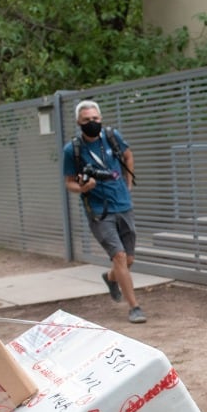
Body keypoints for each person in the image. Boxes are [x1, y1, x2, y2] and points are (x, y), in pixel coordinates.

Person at [62, 100, 147, 324]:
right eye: (87, 121)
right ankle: (134, 307)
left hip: (123, 205)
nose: (92, 123)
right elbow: (69, 183)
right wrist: (83, 188)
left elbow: (128, 155)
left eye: (95, 119)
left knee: (128, 260)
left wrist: (128, 184)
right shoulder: (73, 150)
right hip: (99, 211)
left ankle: (110, 278)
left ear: (101, 119)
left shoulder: (112, 137)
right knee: (118, 256)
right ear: (78, 123)